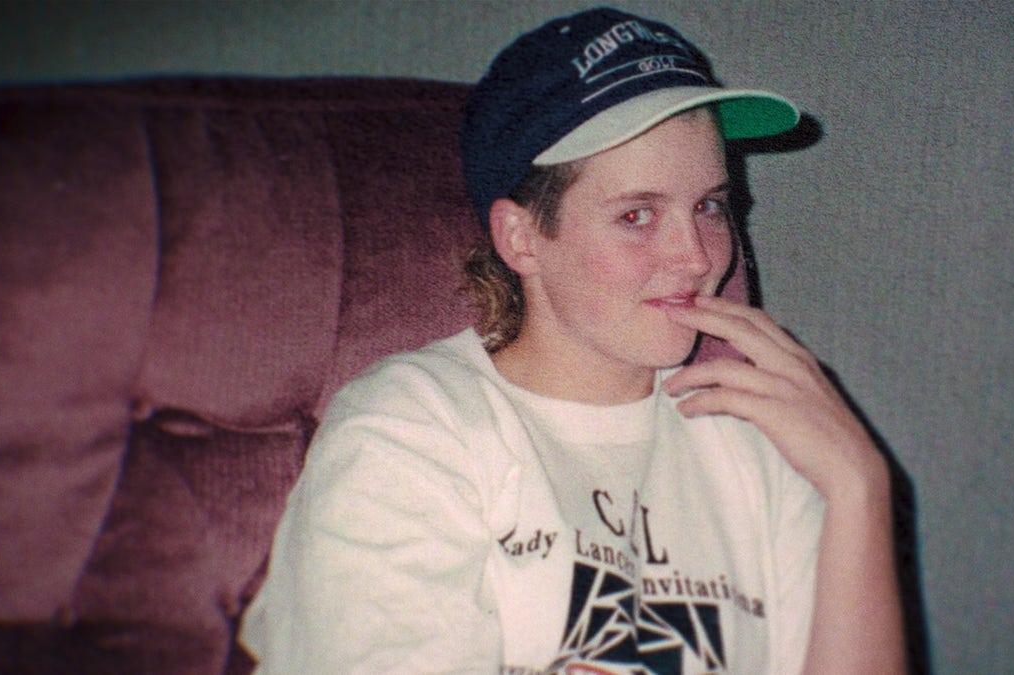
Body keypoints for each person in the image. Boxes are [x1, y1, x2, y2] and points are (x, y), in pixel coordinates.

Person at [240, 7, 903, 673]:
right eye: (637, 215)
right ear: (522, 238)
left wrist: (859, 485)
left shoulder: (757, 437)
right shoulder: (411, 428)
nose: (698, 257)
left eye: (709, 206)